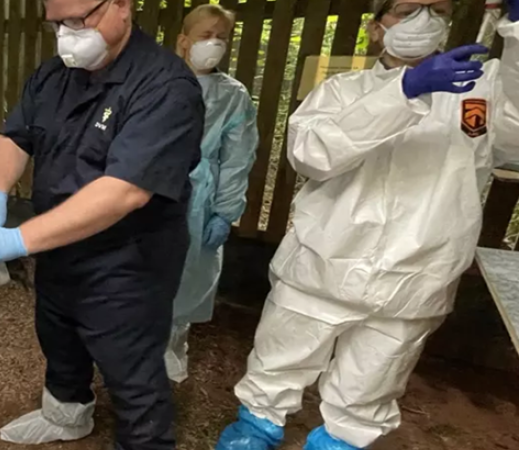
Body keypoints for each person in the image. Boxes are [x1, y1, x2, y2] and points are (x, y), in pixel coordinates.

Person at [216, 0, 519, 449]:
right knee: (279, 363)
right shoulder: (342, 90)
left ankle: (339, 442)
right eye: (408, 8)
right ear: (377, 29)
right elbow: (313, 154)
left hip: (414, 278)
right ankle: (255, 429)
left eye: (437, 8)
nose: (424, 19)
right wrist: (403, 93)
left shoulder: (482, 90)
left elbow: (515, 136)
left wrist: (517, 26)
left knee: (370, 387)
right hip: (322, 267)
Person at [0, 0, 205, 448]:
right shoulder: (54, 75)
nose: (68, 33)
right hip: (57, 240)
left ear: (122, 6)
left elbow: (124, 191)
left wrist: (17, 238)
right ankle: (65, 416)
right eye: (57, 23)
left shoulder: (164, 86)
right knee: (59, 334)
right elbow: (15, 136)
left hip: (127, 257)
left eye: (80, 19)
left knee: (129, 363)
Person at [162, 4, 259, 384]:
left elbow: (237, 156)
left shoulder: (232, 95)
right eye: (205, 35)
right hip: (152, 191)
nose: (214, 44)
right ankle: (138, 343)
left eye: (222, 37)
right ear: (183, 41)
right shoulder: (157, 82)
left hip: (199, 197)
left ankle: (173, 345)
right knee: (145, 272)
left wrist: (225, 210)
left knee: (190, 274)